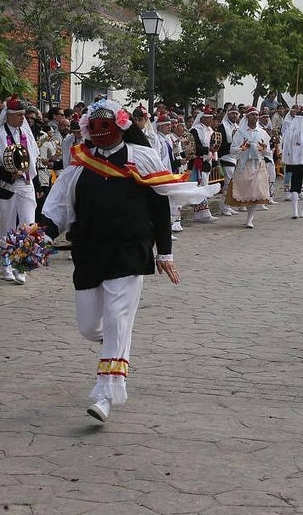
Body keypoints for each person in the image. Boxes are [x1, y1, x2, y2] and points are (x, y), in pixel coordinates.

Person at [40, 99, 218, 422]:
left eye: (105, 125)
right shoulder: (79, 165)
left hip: (129, 252)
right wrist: (40, 237)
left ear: (121, 126)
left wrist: (165, 251)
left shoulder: (142, 159)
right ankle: (115, 346)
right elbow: (59, 208)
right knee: (89, 325)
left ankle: (105, 391)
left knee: (118, 318)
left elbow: (160, 204)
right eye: (93, 127)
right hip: (89, 254)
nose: (100, 132)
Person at [0, 97, 40, 284]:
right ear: (9, 115)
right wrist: (10, 174)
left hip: (25, 184)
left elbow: (32, 161)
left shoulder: (26, 134)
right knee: (7, 226)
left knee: (28, 225)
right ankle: (6, 263)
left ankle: (21, 265)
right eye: (20, 115)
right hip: (6, 186)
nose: (23, 119)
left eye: (24, 115)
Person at [226, 106, 272, 228]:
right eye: (253, 115)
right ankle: (241, 209)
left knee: (255, 191)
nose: (255, 117)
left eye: (257, 115)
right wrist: (242, 148)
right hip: (244, 164)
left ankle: (250, 218)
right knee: (245, 190)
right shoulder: (240, 132)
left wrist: (263, 149)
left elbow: (268, 151)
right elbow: (232, 149)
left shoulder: (262, 133)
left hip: (257, 164)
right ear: (247, 117)